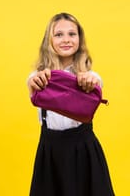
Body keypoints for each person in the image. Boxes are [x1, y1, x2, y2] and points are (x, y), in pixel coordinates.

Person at [27, 12, 115, 196]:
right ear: (49, 40)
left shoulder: (90, 76)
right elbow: (32, 86)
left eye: (72, 34)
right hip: (50, 151)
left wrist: (90, 82)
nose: (66, 40)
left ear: (79, 39)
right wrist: (35, 82)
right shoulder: (39, 77)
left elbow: (96, 82)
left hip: (83, 150)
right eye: (59, 34)